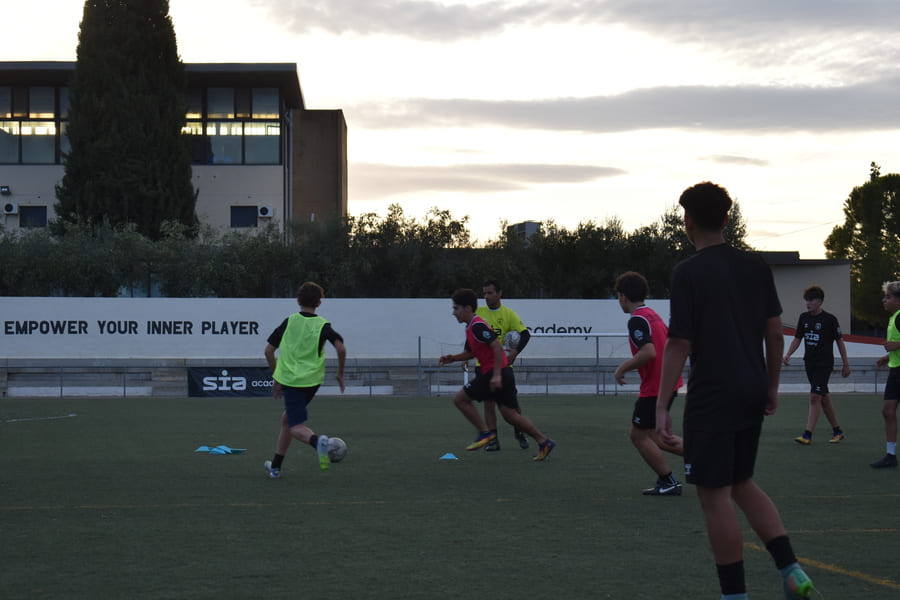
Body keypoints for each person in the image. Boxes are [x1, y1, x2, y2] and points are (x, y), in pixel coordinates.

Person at [655, 182, 813, 599]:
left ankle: (734, 596)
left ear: (686, 221)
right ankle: (791, 570)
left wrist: (661, 404)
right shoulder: (755, 266)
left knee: (714, 494)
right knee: (742, 481)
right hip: (751, 386)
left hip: (714, 394)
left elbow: (678, 343)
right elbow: (774, 333)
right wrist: (772, 385)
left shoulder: (687, 272)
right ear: (727, 219)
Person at [439, 288, 556, 461]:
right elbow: (473, 352)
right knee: (510, 415)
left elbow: (496, 346)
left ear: (467, 308)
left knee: (460, 399)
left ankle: (484, 433)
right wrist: (453, 358)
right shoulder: (472, 326)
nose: (453, 312)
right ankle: (543, 441)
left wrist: (496, 375)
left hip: (496, 373)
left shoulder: (478, 325)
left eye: (456, 308)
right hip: (502, 372)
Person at [263, 281, 346, 478]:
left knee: (296, 427)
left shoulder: (289, 321)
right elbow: (341, 348)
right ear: (319, 303)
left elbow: (268, 351)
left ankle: (319, 443)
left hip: (293, 381)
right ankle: (275, 467)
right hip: (313, 382)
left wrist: (278, 377)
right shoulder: (323, 325)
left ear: (298, 300)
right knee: (287, 420)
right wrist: (340, 373)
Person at [613, 271, 684, 496]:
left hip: (655, 387)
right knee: (656, 436)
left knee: (638, 435)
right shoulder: (652, 314)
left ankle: (669, 481)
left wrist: (622, 368)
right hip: (667, 383)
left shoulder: (637, 320)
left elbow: (649, 352)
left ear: (623, 296)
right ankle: (709, 458)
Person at [782, 285, 850, 445]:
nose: (808, 303)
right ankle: (837, 431)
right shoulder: (804, 318)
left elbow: (840, 342)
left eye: (811, 300)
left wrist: (846, 364)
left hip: (824, 364)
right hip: (809, 363)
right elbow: (798, 338)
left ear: (819, 301)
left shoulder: (830, 319)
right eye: (806, 300)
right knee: (823, 397)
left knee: (814, 397)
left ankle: (807, 434)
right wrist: (788, 354)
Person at [474, 279, 531, 451]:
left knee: (511, 407)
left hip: (503, 366)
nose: (487, 296)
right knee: (488, 404)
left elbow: (525, 334)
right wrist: (464, 357)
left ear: (499, 293)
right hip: (482, 365)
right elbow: (472, 335)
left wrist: (515, 352)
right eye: (484, 293)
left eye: (490, 293)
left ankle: (519, 431)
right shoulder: (479, 313)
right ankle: (493, 440)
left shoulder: (509, 314)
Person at [871, 281, 900, 468]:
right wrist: (886, 356)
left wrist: (897, 345)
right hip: (896, 370)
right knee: (887, 411)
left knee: (888, 410)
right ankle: (891, 455)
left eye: (888, 297)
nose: (884, 300)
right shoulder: (894, 318)